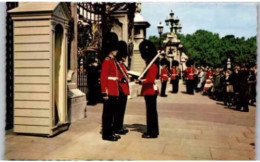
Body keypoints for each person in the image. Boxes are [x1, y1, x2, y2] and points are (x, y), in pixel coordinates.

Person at [137, 40, 159, 138]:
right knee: (151, 112)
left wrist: (141, 81)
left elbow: (150, 80)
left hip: (150, 91)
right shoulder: (149, 65)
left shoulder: (153, 66)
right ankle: (153, 131)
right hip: (149, 91)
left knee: (151, 113)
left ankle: (152, 132)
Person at [100, 32, 120, 141]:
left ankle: (111, 131)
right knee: (107, 114)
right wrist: (104, 92)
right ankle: (106, 134)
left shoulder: (113, 61)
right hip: (109, 91)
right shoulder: (107, 61)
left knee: (112, 114)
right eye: (116, 49)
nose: (117, 51)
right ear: (112, 49)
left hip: (114, 89)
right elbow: (104, 78)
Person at [113, 40, 130, 135]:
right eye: (124, 56)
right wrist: (123, 80)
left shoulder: (122, 65)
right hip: (120, 90)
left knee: (122, 110)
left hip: (124, 90)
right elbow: (117, 76)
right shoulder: (117, 64)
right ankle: (117, 127)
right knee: (118, 111)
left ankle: (119, 126)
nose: (125, 58)